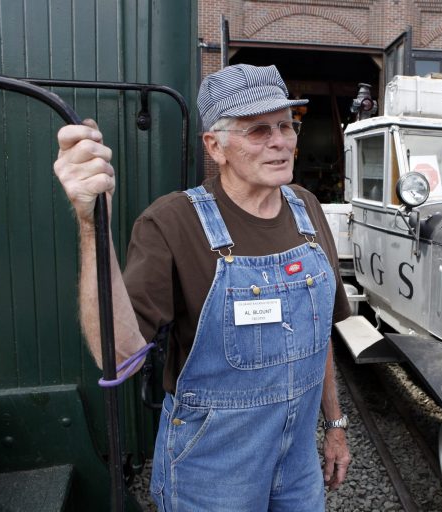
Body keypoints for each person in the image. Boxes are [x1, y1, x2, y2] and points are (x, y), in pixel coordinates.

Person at [53, 63, 352, 511]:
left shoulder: (307, 208)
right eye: (258, 131)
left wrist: (335, 424)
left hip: (297, 470)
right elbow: (118, 356)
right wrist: (91, 225)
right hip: (212, 474)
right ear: (215, 146)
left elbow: (318, 331)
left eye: (286, 125)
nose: (281, 142)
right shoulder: (173, 222)